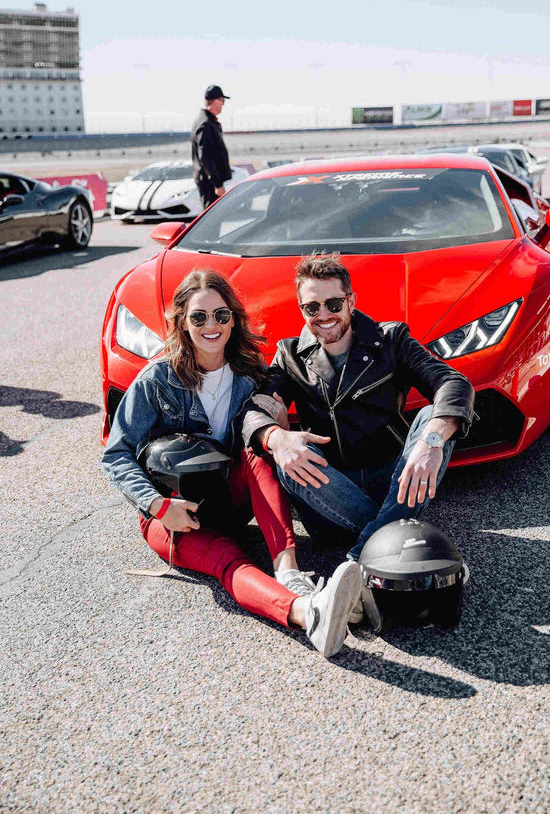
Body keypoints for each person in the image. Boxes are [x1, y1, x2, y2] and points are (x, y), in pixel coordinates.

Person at [102, 268, 362, 658]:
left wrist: (280, 426)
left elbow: (269, 434)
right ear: (182, 323)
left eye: (221, 315)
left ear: (234, 319)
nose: (212, 325)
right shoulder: (156, 380)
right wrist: (158, 507)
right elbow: (116, 455)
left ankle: (289, 571)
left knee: (258, 447)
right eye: (199, 317)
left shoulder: (250, 374)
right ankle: (309, 613)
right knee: (228, 561)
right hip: (174, 516)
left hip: (229, 497)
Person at [241, 253, 475, 589]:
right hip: (329, 495)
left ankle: (356, 561)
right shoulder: (289, 355)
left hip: (394, 482)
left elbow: (453, 384)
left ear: (351, 300)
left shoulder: (391, 340)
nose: (324, 315)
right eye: (312, 307)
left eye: (333, 303)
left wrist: (431, 442)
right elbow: (253, 411)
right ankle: (400, 539)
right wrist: (277, 437)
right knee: (288, 453)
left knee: (431, 418)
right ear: (301, 309)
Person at [191, 85, 233, 209]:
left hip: (210, 181)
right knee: (211, 222)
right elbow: (205, 158)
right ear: (215, 101)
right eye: (222, 101)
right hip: (210, 184)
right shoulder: (205, 123)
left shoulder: (207, 120)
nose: (223, 105)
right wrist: (217, 184)